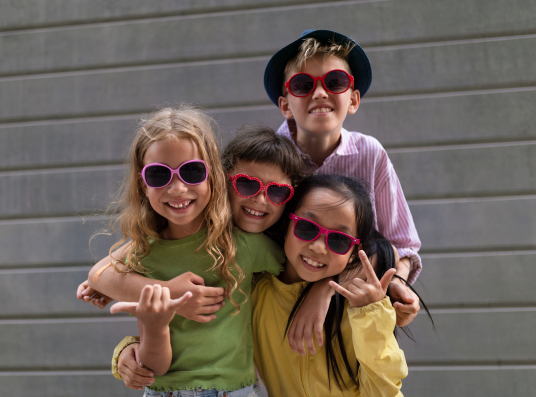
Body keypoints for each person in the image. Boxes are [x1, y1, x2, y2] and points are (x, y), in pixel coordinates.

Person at [86, 108, 284, 395]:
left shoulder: (241, 244)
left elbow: (305, 268)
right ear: (143, 184)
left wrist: (322, 293)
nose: (178, 188)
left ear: (213, 175)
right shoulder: (144, 253)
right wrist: (168, 295)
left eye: (192, 171)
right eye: (158, 175)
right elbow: (98, 275)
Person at [264, 30, 422, 353]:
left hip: (352, 323)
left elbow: (401, 246)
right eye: (303, 85)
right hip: (279, 319)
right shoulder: (267, 160)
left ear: (353, 99)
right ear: (285, 104)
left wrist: (397, 284)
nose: (320, 93)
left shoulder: (371, 155)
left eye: (334, 82)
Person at [252, 174, 409, 396]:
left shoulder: (362, 304)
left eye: (338, 240)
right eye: (306, 227)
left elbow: (383, 391)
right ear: (286, 223)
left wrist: (369, 315)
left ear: (355, 252)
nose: (318, 247)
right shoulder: (255, 290)